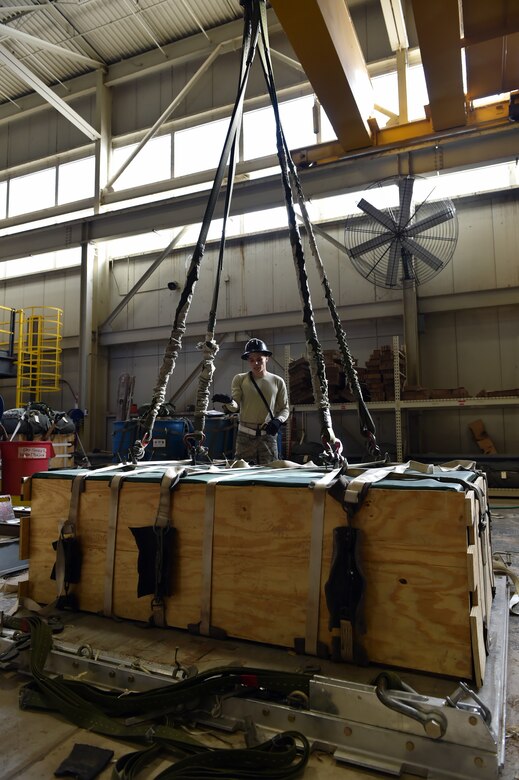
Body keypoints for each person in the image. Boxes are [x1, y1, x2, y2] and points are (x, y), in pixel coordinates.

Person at [212, 338, 289, 465]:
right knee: (241, 473)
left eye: (259, 359)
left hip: (267, 436)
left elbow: (285, 409)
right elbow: (235, 407)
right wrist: (229, 401)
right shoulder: (240, 379)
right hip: (245, 437)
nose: (256, 363)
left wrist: (278, 421)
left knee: (270, 472)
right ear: (248, 361)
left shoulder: (277, 381)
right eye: (252, 360)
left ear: (267, 358)